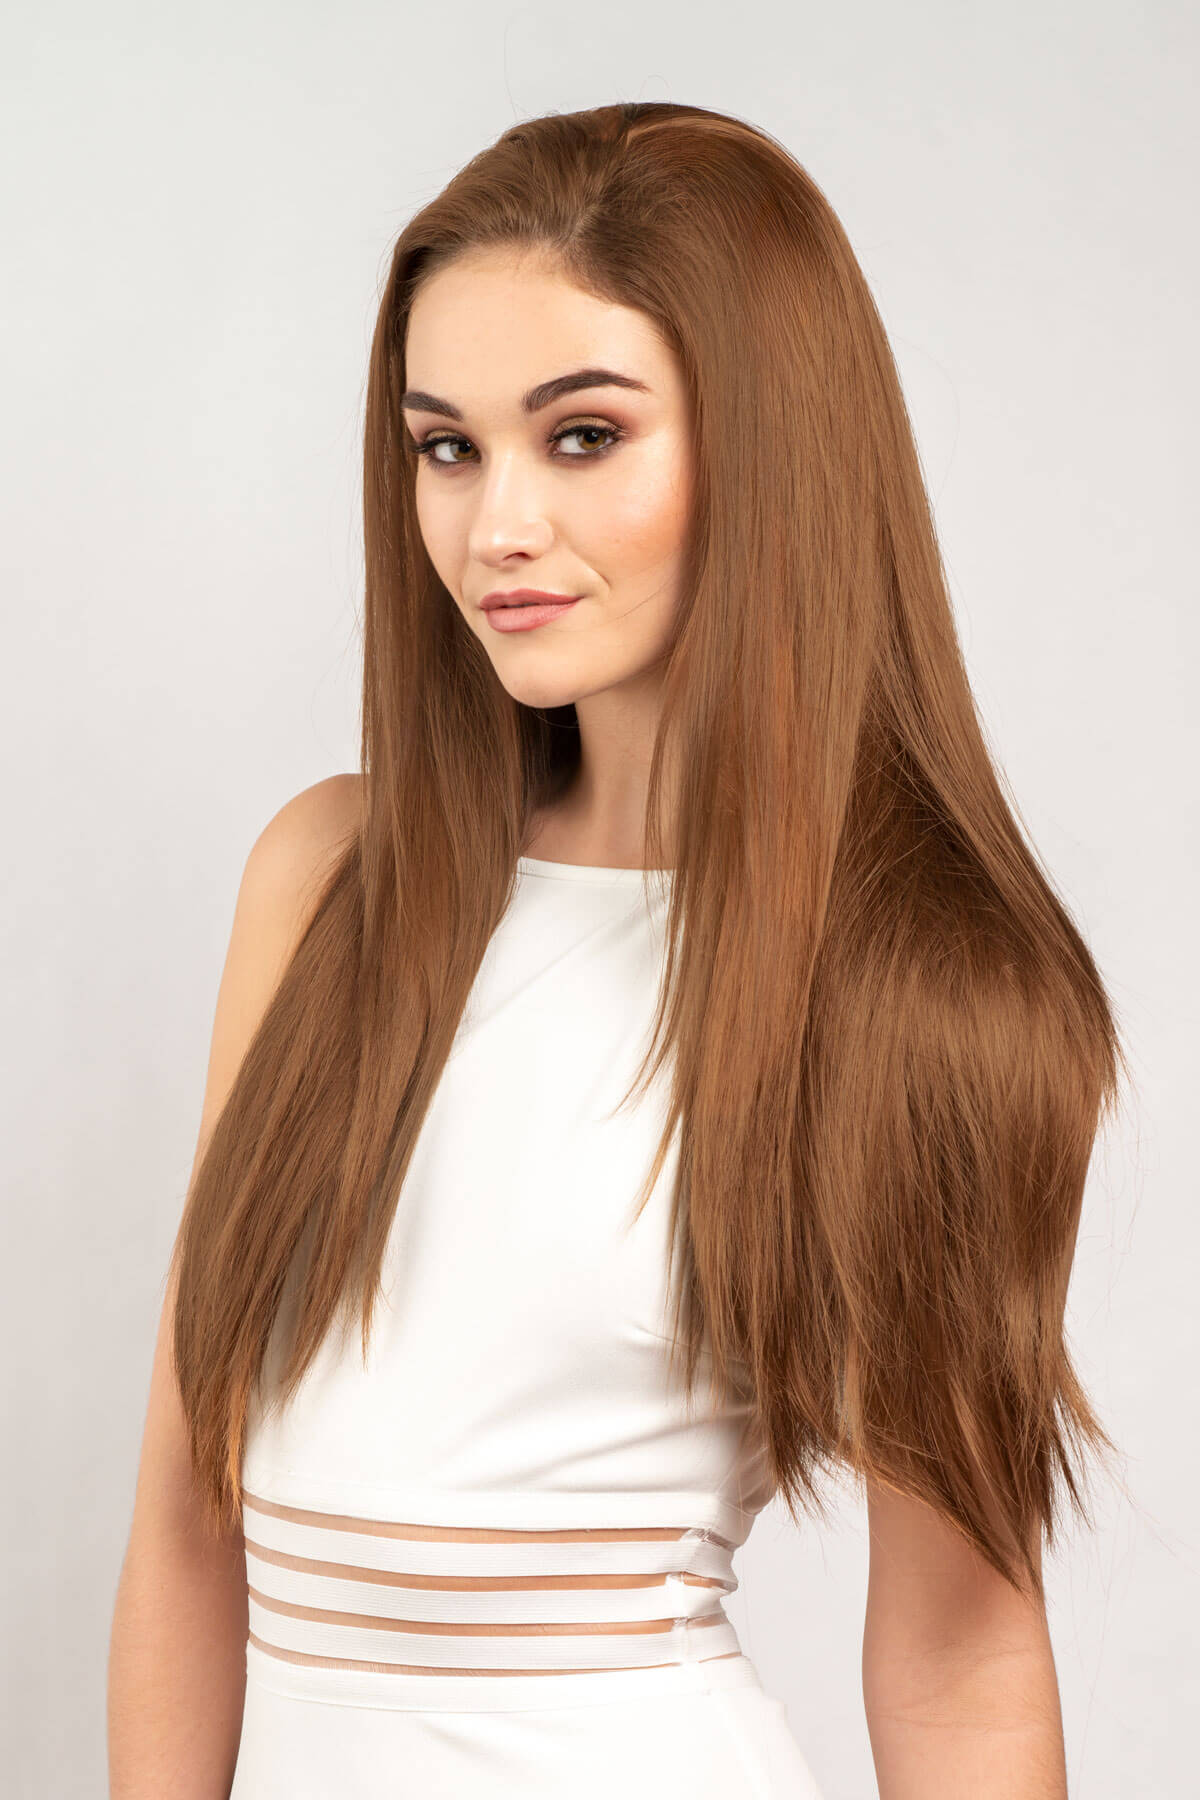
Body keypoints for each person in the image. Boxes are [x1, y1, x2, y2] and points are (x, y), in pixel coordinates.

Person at [107, 101, 1125, 1798]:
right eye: (447, 447)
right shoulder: (331, 878)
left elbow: (958, 1659)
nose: (494, 525)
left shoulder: (912, 986)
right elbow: (184, 1525)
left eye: (582, 437)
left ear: (768, 444)